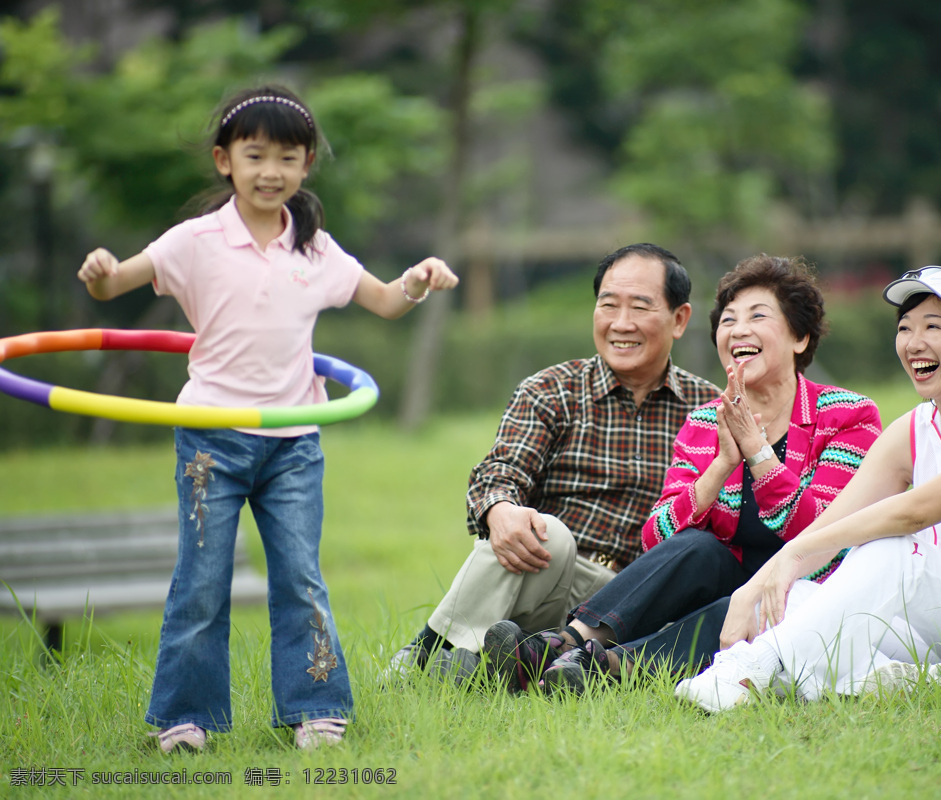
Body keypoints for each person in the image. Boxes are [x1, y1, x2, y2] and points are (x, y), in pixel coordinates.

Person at [77, 85, 459, 751]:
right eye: (255, 155)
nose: (270, 171)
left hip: (293, 445)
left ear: (307, 164)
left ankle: (315, 707)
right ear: (225, 160)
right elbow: (117, 283)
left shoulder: (315, 249)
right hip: (210, 441)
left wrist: (418, 281)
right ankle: (185, 718)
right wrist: (102, 274)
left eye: (287, 156)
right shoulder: (195, 242)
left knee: (299, 577)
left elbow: (385, 301)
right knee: (201, 579)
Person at [676, 266, 941, 713]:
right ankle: (887, 679)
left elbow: (914, 513)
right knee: (793, 596)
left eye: (934, 326)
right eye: (906, 328)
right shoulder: (914, 427)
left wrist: (790, 558)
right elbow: (834, 523)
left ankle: (751, 668)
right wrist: (757, 587)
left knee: (893, 550)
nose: (914, 342)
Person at [482, 255, 881, 693]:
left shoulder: (848, 415)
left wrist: (759, 453)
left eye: (758, 316)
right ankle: (566, 646)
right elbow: (657, 539)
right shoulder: (706, 422)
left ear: (800, 338)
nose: (738, 330)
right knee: (698, 547)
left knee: (740, 601)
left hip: (808, 587)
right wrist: (722, 465)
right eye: (728, 320)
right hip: (724, 577)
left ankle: (608, 669)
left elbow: (823, 534)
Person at [382, 243, 719, 687]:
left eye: (640, 306)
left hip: (636, 601)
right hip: (550, 576)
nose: (621, 323)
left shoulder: (709, 410)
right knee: (544, 530)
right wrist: (500, 511)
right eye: (608, 305)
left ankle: (470, 661)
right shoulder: (553, 389)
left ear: (679, 319)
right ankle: (436, 654)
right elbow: (500, 470)